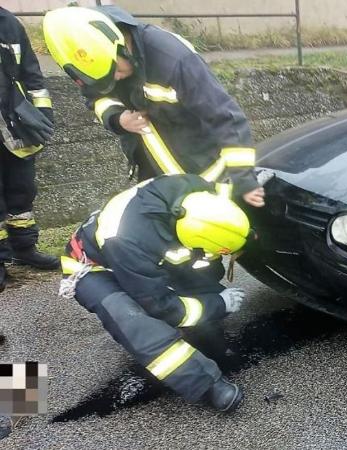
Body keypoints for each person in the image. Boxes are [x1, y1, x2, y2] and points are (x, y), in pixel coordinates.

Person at [59, 174, 251, 412]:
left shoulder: (195, 188)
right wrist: (218, 304)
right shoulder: (127, 242)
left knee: (204, 280)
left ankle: (203, 318)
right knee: (136, 322)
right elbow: (160, 305)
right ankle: (206, 384)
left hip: (143, 247)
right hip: (93, 268)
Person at [42, 5, 265, 209]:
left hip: (202, 173)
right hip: (153, 172)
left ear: (122, 45)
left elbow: (226, 116)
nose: (116, 80)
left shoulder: (173, 59)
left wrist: (244, 180)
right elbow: (97, 98)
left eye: (117, 72)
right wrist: (117, 119)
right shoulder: (95, 62)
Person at [0, 7, 59, 292]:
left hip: (14, 124)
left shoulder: (9, 23)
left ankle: (24, 249)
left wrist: (43, 115)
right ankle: (0, 259)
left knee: (22, 190)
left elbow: (32, 74)